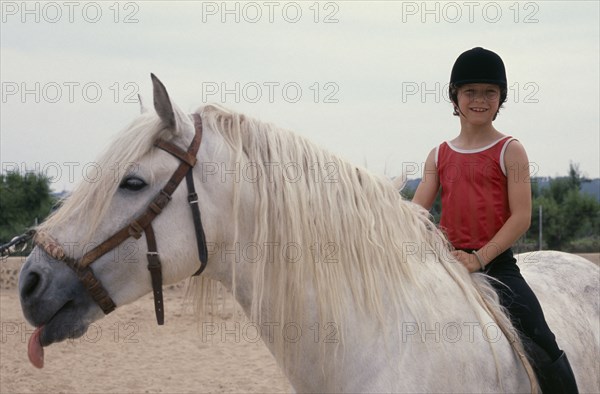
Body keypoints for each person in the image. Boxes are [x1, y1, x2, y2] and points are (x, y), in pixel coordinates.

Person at [412, 47, 578, 393]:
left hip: (497, 266)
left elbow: (521, 217)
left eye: (490, 92)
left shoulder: (510, 150)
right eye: (470, 91)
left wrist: (479, 258)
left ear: (501, 98)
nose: (480, 100)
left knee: (542, 341)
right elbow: (416, 215)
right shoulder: (438, 154)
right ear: (454, 96)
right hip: (448, 264)